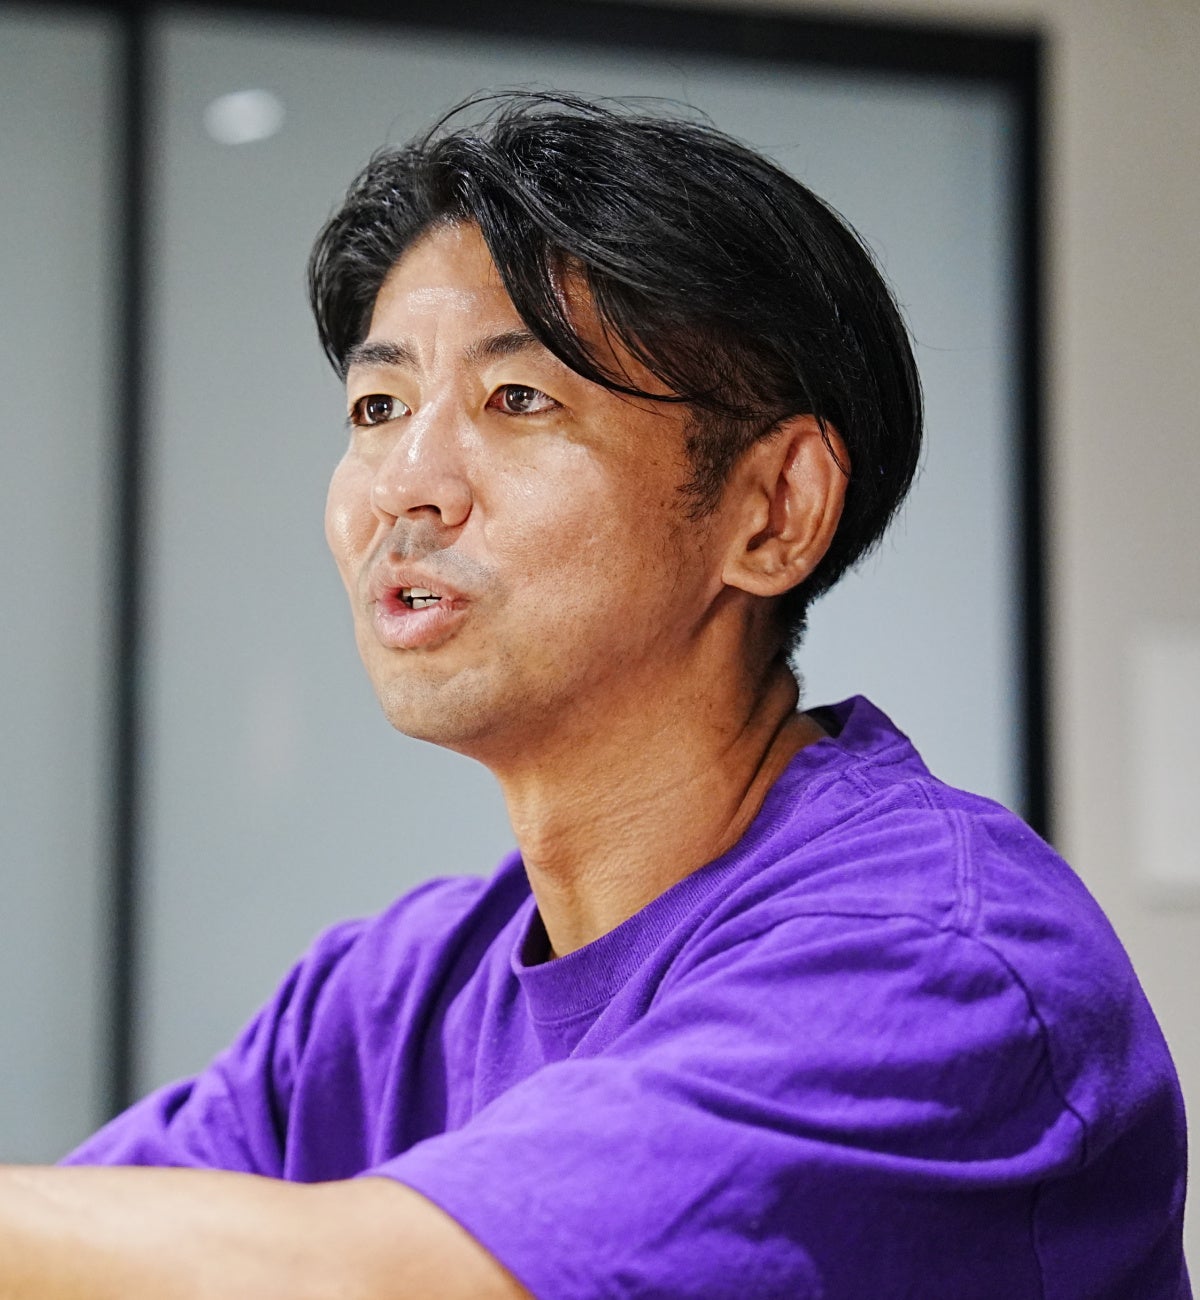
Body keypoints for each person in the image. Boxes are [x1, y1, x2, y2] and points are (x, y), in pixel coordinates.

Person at [1, 92, 1189, 1298]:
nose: (406, 484)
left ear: (775, 509)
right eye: (379, 407)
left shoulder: (935, 964)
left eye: (519, 399)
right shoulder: (386, 1001)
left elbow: (390, 1285)